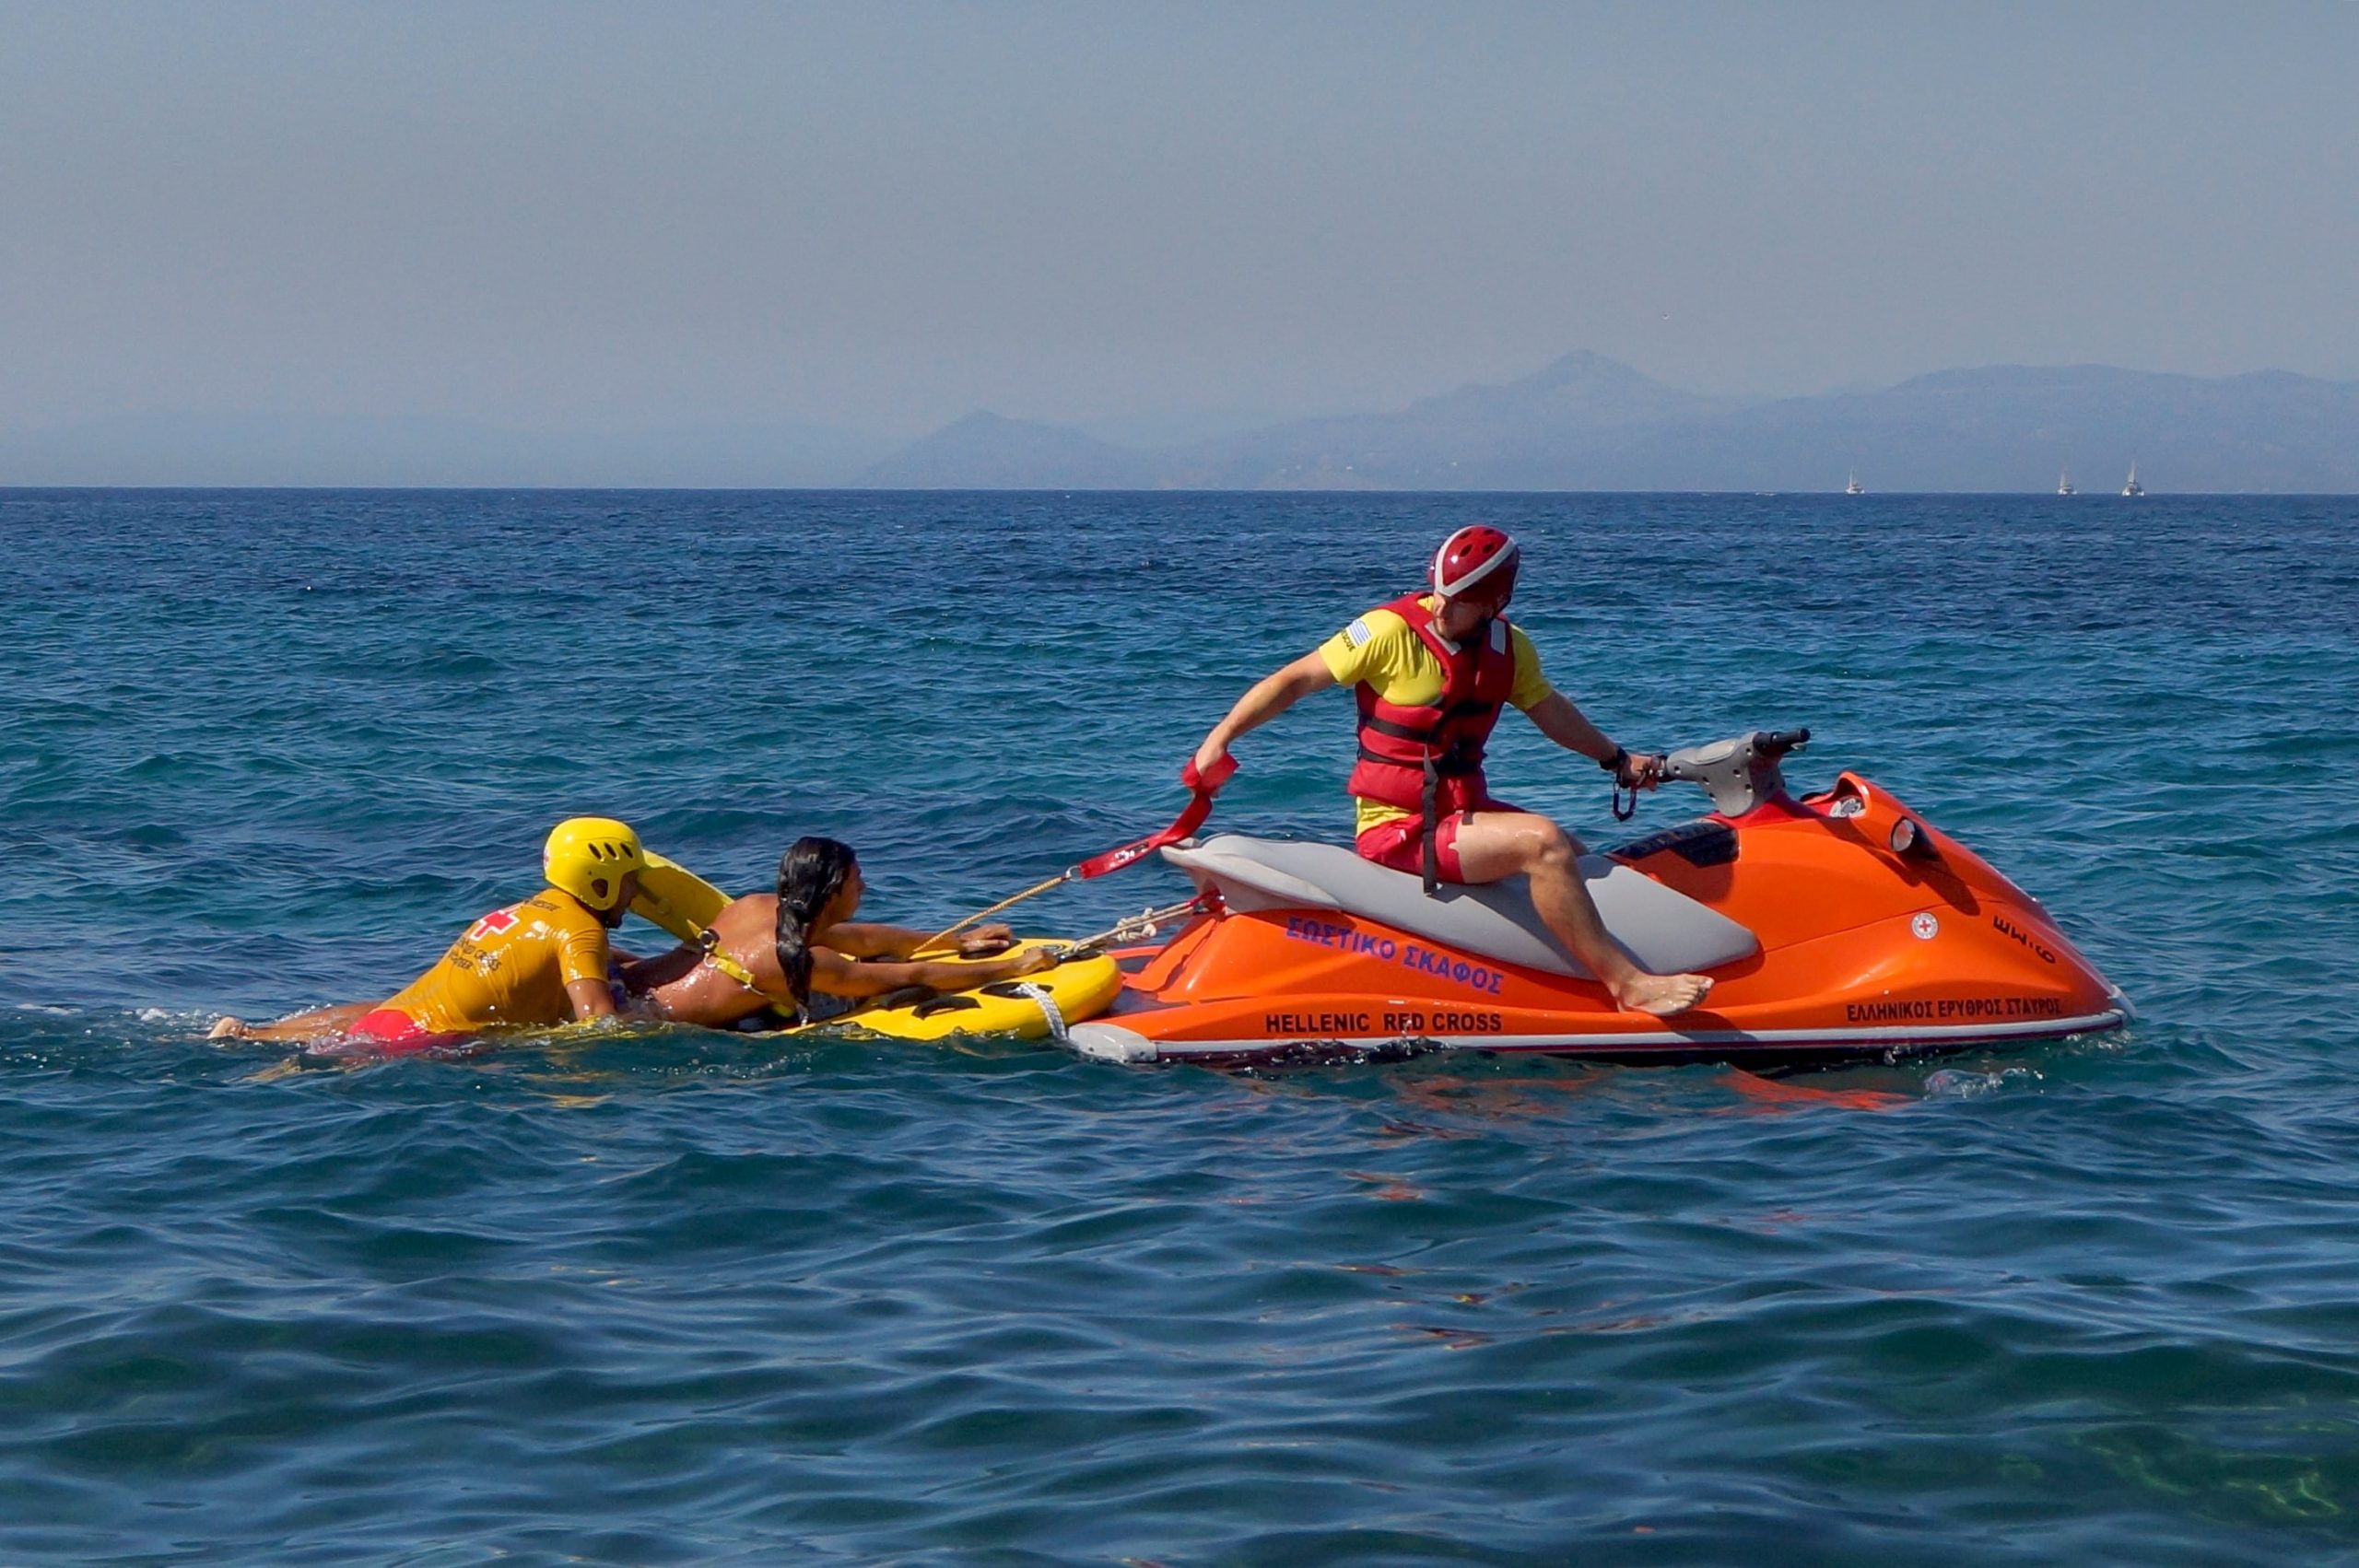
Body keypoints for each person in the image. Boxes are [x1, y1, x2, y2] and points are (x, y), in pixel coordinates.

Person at [1188, 525, 1712, 1016]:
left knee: (1580, 857)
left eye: (1456, 600)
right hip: (1397, 827)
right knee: (1544, 844)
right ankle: (1627, 986)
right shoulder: (1385, 630)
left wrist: (1618, 759)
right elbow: (1294, 681)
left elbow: (1550, 711)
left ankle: (1568, 979)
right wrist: (1220, 738)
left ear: (1494, 603)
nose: (1440, 605)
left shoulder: (1511, 648)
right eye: (1437, 590)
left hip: (1461, 812)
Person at [209, 816, 649, 1047]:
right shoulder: (581, 931)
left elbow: (572, 956)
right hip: (417, 1044)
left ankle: (252, 1034)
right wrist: (660, 1026)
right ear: (599, 882)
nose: (635, 893)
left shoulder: (540, 910)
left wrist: (635, 962)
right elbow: (598, 1024)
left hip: (392, 1017)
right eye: (631, 880)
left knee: (364, 1023)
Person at [621, 836, 1053, 1029]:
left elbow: (866, 939)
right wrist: (1013, 966)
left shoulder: (756, 906)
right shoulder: (802, 960)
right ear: (831, 893)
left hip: (623, 983)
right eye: (856, 879)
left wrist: (958, 941)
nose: (864, 887)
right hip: (635, 1021)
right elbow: (914, 977)